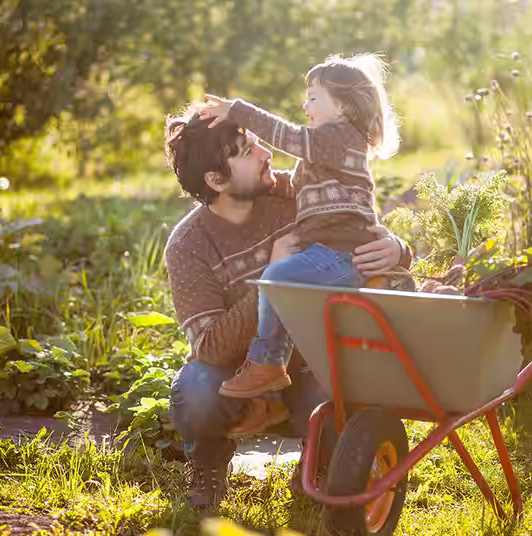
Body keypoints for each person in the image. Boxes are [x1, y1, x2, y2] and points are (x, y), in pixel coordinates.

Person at [163, 102, 411, 508]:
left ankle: (318, 465)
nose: (268, 154)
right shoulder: (189, 246)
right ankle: (207, 466)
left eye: (261, 143)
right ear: (216, 179)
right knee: (195, 390)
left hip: (315, 360)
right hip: (240, 373)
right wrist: (274, 277)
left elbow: (368, 238)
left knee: (352, 392)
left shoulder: (297, 193)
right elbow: (207, 346)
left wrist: (396, 249)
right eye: (249, 151)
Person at [196, 53, 400, 408]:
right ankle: (270, 377)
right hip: (330, 249)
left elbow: (289, 137)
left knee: (278, 278)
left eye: (313, 97)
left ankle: (267, 361)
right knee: (282, 281)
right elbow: (295, 184)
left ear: (341, 107)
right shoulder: (322, 154)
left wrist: (239, 111)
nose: (304, 104)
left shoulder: (340, 136)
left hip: (343, 250)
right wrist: (245, 179)